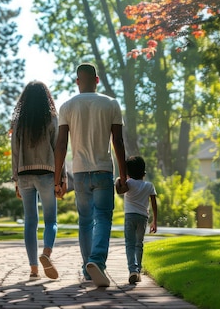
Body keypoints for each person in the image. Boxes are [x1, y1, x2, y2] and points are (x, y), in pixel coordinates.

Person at [53, 63, 127, 287]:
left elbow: (60, 145)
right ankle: (96, 262)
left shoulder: (67, 106)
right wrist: (124, 177)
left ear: (77, 81)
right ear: (97, 80)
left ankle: (88, 269)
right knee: (103, 217)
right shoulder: (111, 104)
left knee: (85, 221)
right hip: (103, 170)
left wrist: (57, 179)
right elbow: (118, 142)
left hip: (80, 173)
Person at [11, 80, 63, 280]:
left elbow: (15, 152)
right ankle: (46, 254)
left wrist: (15, 179)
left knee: (30, 222)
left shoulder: (18, 122)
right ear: (45, 98)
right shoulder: (51, 118)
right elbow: (58, 149)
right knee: (51, 220)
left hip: (24, 174)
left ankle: (34, 269)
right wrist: (61, 178)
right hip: (47, 173)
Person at [116, 155, 157, 284]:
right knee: (139, 244)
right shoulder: (149, 186)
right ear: (143, 172)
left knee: (130, 244)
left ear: (127, 172)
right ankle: (138, 270)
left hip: (130, 216)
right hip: (143, 218)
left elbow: (118, 190)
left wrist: (119, 179)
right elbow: (154, 204)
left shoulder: (128, 184)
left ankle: (132, 270)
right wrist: (155, 220)